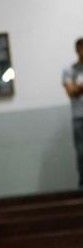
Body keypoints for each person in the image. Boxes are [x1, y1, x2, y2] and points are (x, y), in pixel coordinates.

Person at [63, 38, 83, 189]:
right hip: (79, 117)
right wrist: (76, 88)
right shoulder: (69, 71)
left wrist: (78, 87)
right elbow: (71, 92)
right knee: (81, 152)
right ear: (76, 50)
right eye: (81, 49)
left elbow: (76, 89)